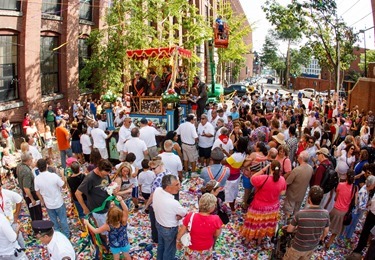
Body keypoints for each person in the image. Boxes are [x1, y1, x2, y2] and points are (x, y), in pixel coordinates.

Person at [240, 160, 286, 245]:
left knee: (254, 224)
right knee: (264, 224)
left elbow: (252, 179)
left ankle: (248, 240)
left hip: (258, 206)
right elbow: (282, 193)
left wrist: (263, 170)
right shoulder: (282, 180)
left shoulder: (263, 178)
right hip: (272, 208)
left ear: (270, 168)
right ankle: (259, 240)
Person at [283, 186, 330, 260]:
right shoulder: (326, 213)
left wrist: (292, 227)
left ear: (309, 198)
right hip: (311, 247)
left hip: (297, 247)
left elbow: (289, 230)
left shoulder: (301, 214)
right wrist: (322, 237)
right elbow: (326, 230)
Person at [176, 193, 223, 258]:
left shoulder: (190, 216)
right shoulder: (216, 219)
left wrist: (177, 241)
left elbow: (182, 231)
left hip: (191, 247)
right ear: (212, 207)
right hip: (206, 247)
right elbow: (216, 234)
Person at [84, 195, 131, 260]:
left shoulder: (108, 226)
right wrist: (121, 201)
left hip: (114, 246)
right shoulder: (123, 221)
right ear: (120, 216)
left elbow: (95, 231)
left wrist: (87, 223)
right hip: (125, 243)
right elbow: (126, 210)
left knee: (116, 257)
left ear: (108, 215)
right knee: (127, 255)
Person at [153, 175, 187, 260]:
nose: (179, 187)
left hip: (159, 224)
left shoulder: (157, 191)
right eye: (176, 185)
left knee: (161, 246)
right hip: (169, 230)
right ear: (168, 187)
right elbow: (184, 213)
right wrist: (179, 215)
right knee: (169, 250)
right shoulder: (173, 203)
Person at [34, 159, 70, 238]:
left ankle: (58, 237)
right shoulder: (53, 176)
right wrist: (62, 175)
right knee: (63, 220)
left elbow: (37, 192)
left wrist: (42, 201)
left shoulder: (37, 179)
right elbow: (63, 186)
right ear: (47, 165)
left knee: (54, 222)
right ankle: (67, 236)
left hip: (48, 204)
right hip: (58, 202)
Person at [76, 159, 112, 229]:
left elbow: (109, 185)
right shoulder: (90, 178)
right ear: (98, 169)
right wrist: (85, 208)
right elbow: (77, 193)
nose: (105, 176)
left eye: (107, 174)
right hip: (98, 210)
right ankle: (104, 239)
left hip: (107, 207)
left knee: (109, 226)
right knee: (102, 230)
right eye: (103, 174)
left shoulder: (106, 173)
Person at [326, 170, 357, 249]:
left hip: (335, 209)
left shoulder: (340, 185)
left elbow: (336, 198)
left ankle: (322, 238)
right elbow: (355, 202)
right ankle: (329, 243)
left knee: (327, 225)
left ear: (346, 176)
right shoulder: (355, 188)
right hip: (344, 212)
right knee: (336, 231)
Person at [343, 175, 375, 240]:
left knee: (353, 225)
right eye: (374, 184)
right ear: (371, 184)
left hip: (358, 211)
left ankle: (348, 237)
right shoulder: (363, 191)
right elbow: (361, 205)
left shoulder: (366, 189)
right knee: (349, 225)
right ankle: (342, 238)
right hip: (355, 211)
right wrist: (369, 207)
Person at [284, 151, 313, 219]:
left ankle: (286, 226)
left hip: (292, 194)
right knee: (296, 212)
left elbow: (287, 182)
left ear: (301, 158)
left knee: (288, 211)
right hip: (301, 195)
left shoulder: (297, 170)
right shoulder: (310, 168)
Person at [222, 136, 248, 211]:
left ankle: (232, 208)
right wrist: (225, 152)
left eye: (237, 141)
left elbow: (224, 162)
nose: (235, 142)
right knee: (234, 191)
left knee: (230, 193)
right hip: (236, 175)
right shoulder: (243, 153)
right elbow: (232, 158)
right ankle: (232, 205)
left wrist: (219, 156)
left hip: (230, 177)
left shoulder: (235, 156)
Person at [0, 177, 25, 249]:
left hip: (11, 222)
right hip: (2, 226)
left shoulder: (6, 193)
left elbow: (19, 200)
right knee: (6, 242)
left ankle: (23, 250)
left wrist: (16, 215)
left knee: (19, 240)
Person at [17, 152, 43, 221]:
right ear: (27, 160)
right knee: (36, 212)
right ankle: (39, 226)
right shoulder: (27, 172)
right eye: (31, 160)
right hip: (30, 193)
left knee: (32, 211)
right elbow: (26, 187)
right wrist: (32, 199)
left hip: (25, 192)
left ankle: (36, 225)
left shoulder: (19, 165)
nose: (32, 161)